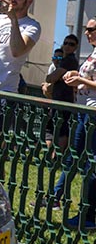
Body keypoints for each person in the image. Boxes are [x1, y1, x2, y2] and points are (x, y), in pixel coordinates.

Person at [51, 19, 96, 229]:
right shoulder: (92, 53)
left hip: (92, 113)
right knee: (73, 157)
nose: (87, 33)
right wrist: (76, 75)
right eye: (86, 29)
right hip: (83, 111)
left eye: (91, 29)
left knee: (90, 164)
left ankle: (87, 214)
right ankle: (55, 197)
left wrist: (81, 81)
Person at [43, 36, 79, 155]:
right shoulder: (64, 60)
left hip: (65, 101)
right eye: (66, 43)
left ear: (76, 47)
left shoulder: (70, 60)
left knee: (62, 131)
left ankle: (56, 157)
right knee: (52, 129)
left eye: (71, 44)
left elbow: (51, 78)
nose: (68, 46)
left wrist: (51, 78)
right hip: (57, 101)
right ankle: (51, 156)